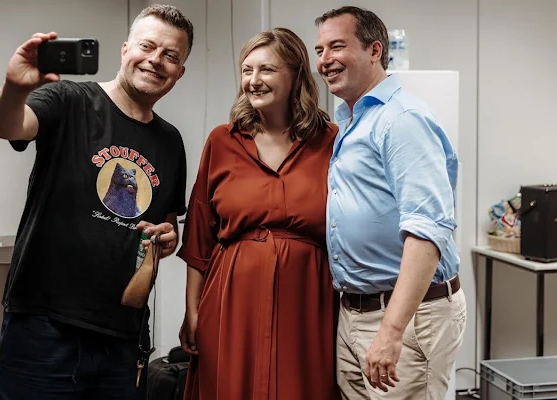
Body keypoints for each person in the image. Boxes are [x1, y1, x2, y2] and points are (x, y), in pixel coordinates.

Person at [0, 5, 194, 399]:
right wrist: (15, 87)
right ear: (125, 49)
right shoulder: (69, 99)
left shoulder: (171, 142)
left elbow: (165, 228)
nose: (156, 60)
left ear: (179, 72)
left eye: (171, 55)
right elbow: (7, 126)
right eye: (147, 46)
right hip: (43, 330)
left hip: (120, 339)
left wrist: (167, 239)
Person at [176, 27, 340, 400]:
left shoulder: (331, 140)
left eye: (266, 70)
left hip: (309, 305)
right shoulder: (223, 140)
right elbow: (199, 237)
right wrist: (193, 312)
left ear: (296, 74)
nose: (253, 81)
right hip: (231, 302)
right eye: (247, 70)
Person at [314, 6, 467, 400]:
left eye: (336, 46)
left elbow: (428, 231)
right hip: (356, 312)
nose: (325, 60)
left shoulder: (402, 119)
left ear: (375, 50)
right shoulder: (350, 118)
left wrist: (392, 330)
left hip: (406, 316)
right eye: (319, 51)